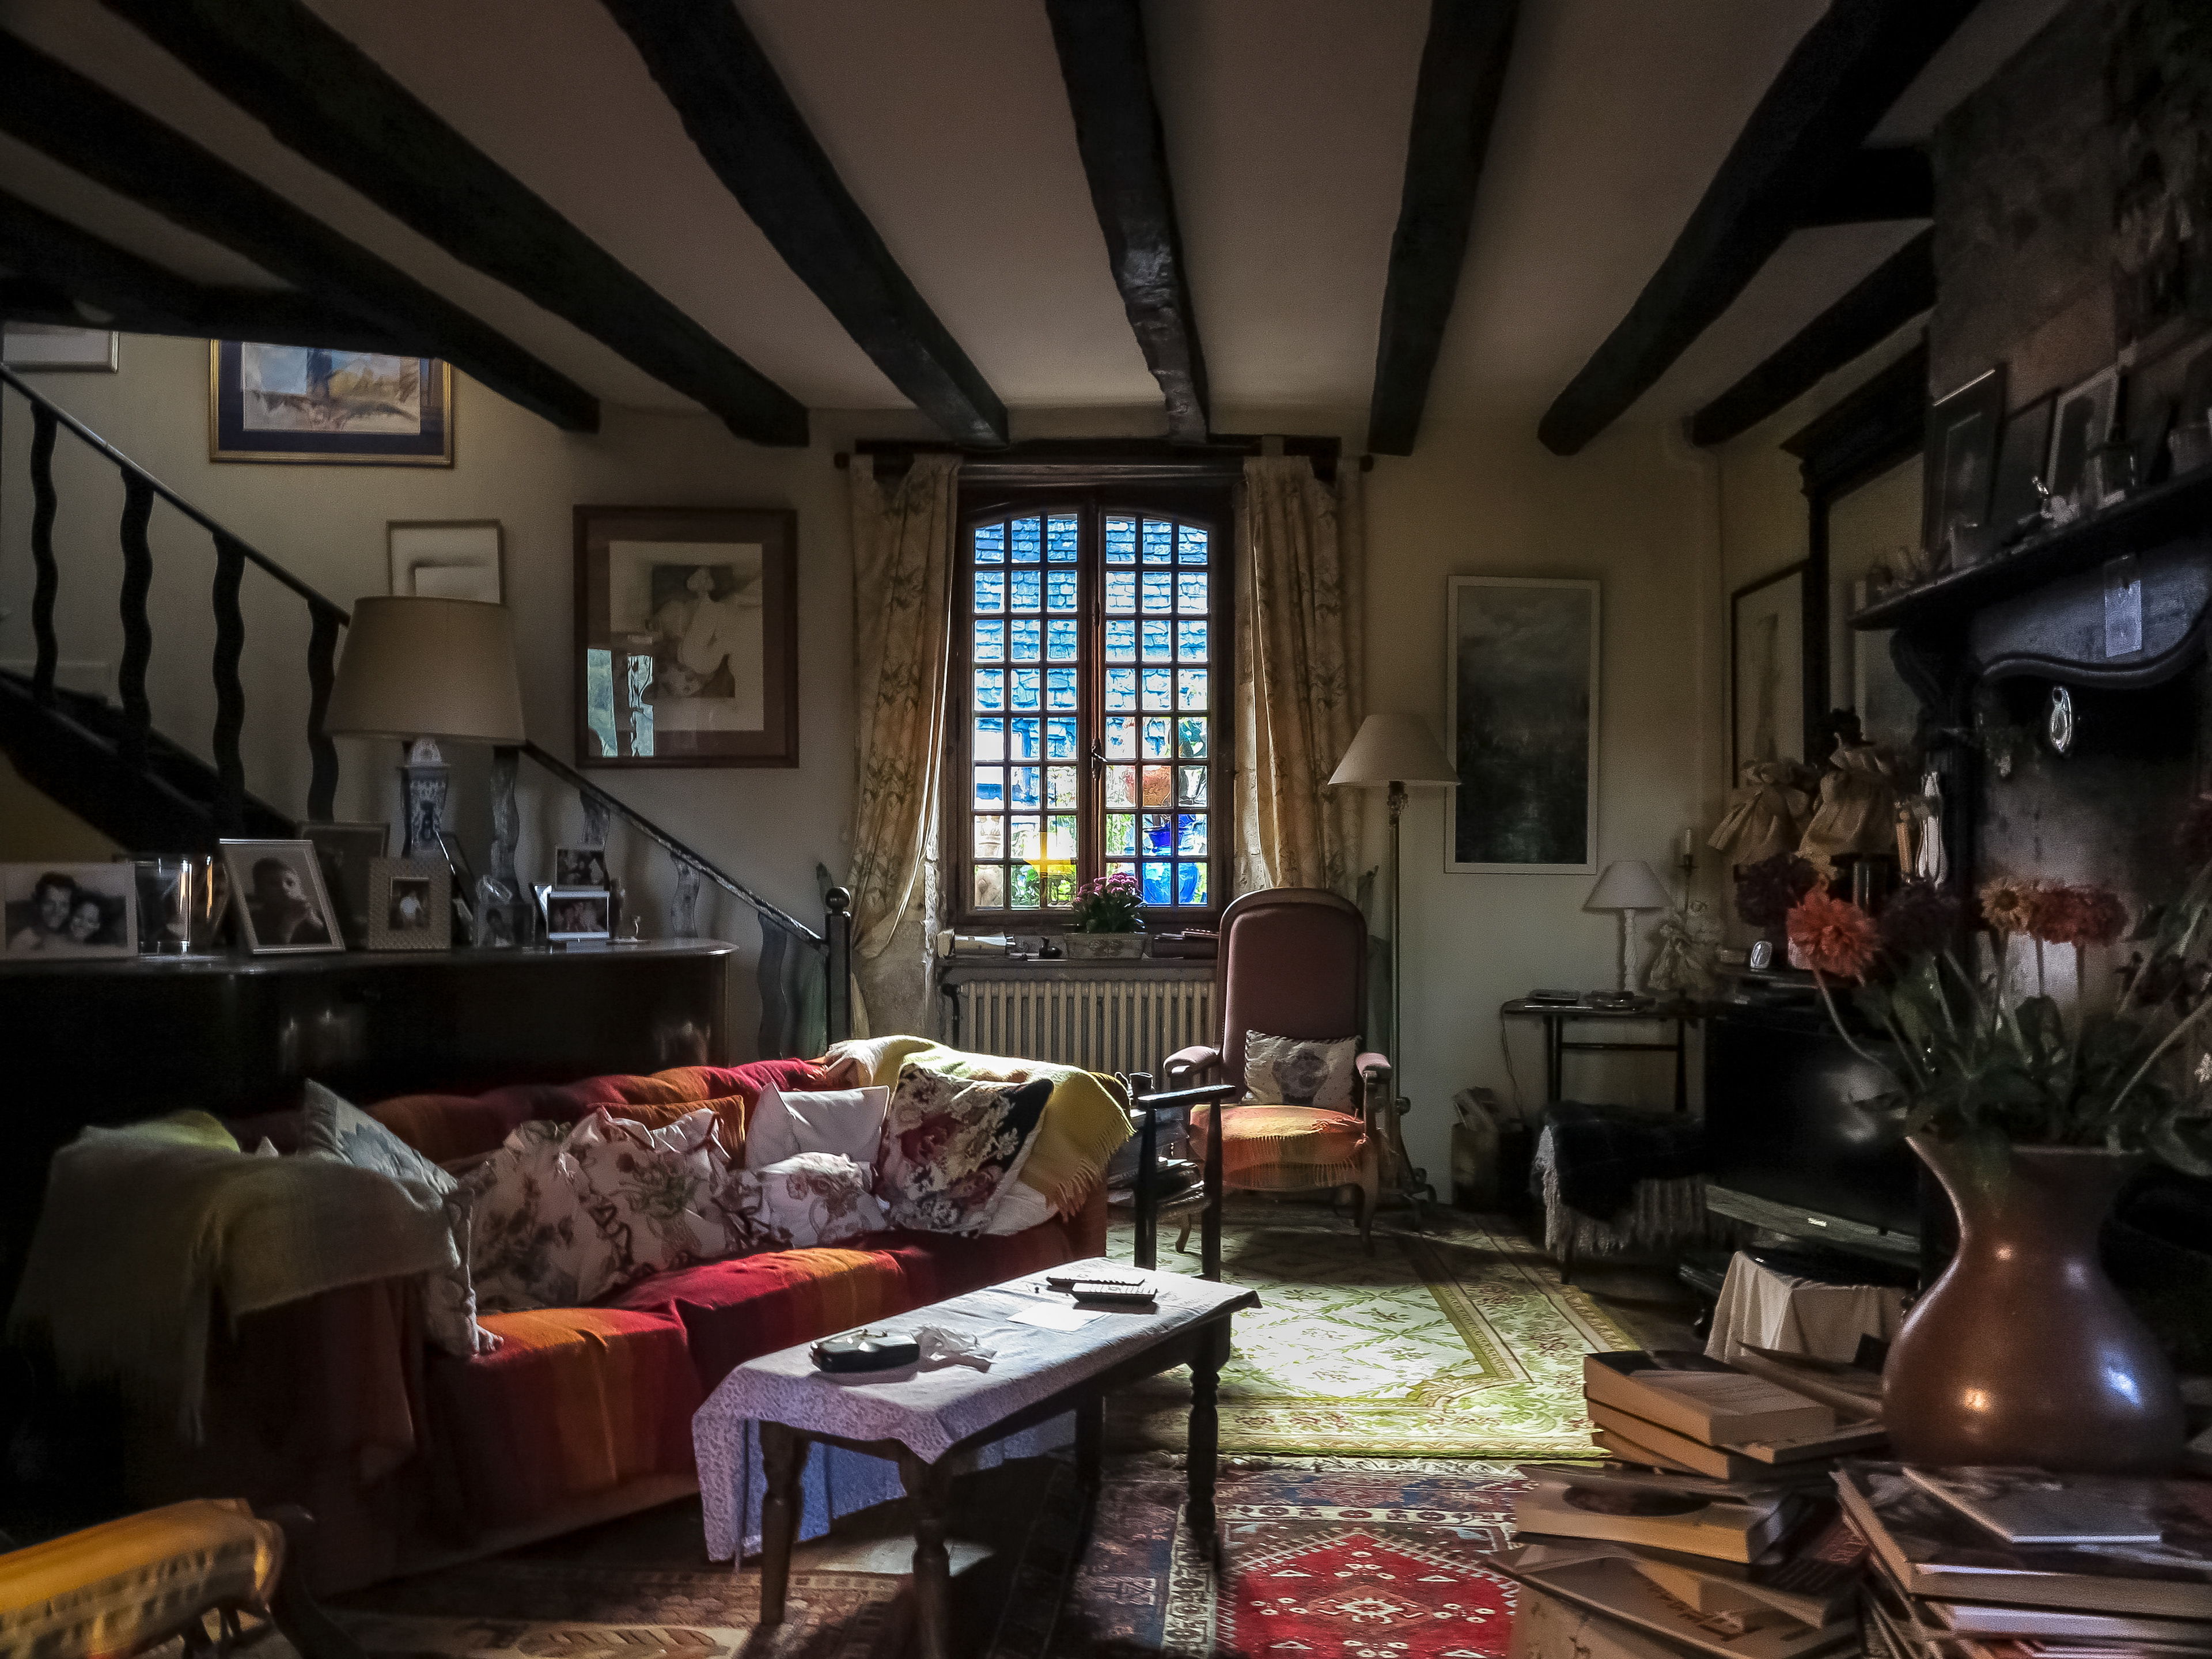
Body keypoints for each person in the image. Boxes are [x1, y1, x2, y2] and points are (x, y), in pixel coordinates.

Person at [246, 857, 331, 947]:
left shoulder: (315, 915)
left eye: (290, 883)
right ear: (260, 892)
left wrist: (313, 920)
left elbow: (330, 945)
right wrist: (290, 923)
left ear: (300, 890)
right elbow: (271, 951)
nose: (284, 888)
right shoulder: (256, 919)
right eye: (274, 883)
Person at [8, 872, 77, 951]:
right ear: (38, 904)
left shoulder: (74, 936)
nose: (57, 911)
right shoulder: (22, 943)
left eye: (64, 905)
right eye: (50, 903)